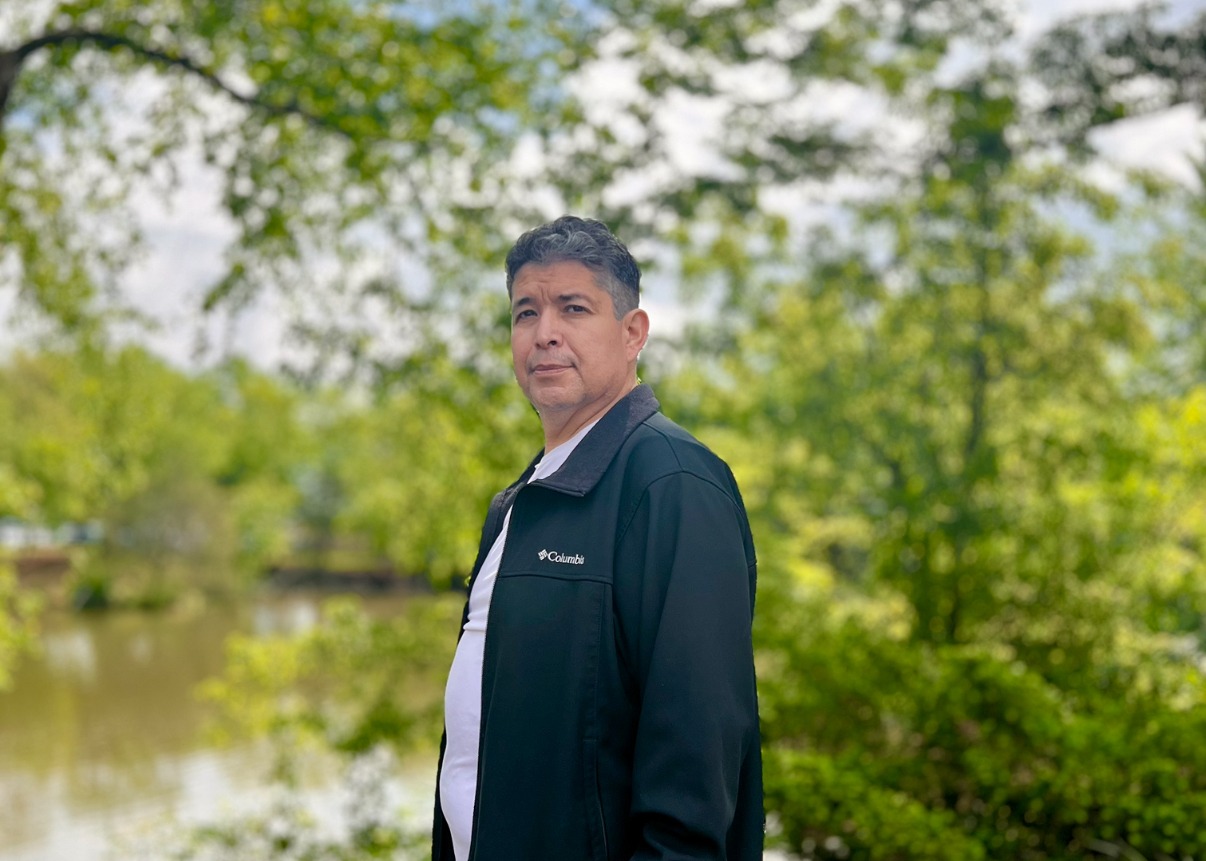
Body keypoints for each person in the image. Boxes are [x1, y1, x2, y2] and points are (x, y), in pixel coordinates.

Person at [433, 215, 762, 861]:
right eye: (526, 312)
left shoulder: (673, 483)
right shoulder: (522, 500)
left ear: (632, 332)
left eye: (573, 308)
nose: (545, 333)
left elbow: (697, 760)